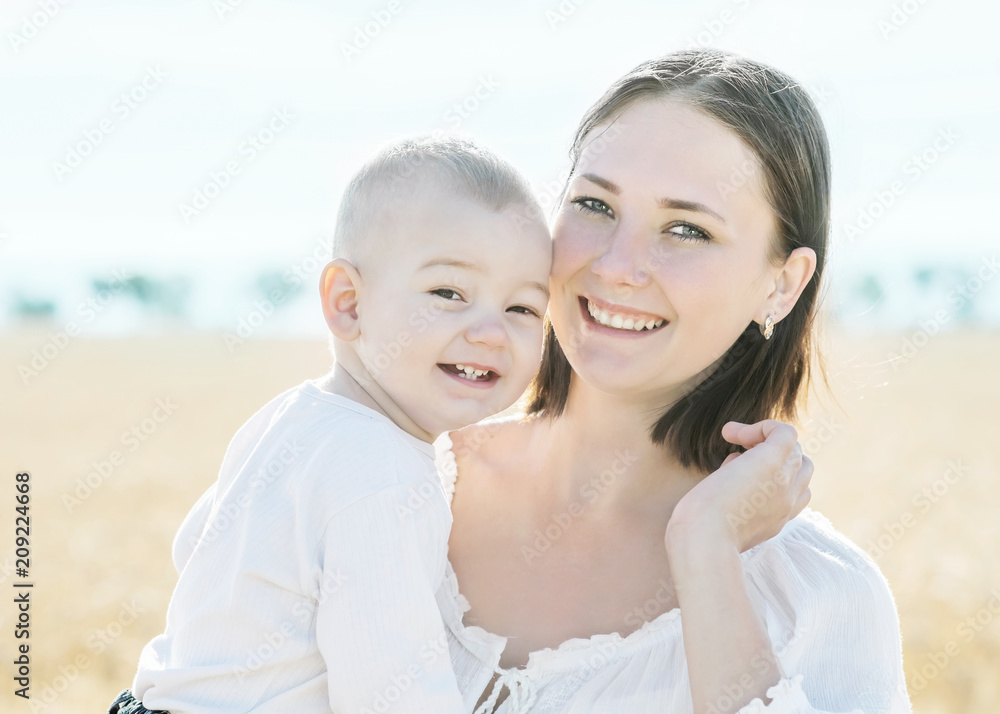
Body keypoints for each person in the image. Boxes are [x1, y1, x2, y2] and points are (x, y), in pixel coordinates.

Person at [438, 50, 912, 713]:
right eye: (596, 205)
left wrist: (707, 550)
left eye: (687, 229)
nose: (617, 264)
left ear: (781, 285)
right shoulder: (394, 481)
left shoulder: (817, 596)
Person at [108, 136, 553, 713]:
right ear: (348, 303)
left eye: (522, 308)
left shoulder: (291, 415)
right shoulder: (385, 473)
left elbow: (193, 545)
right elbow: (393, 695)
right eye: (449, 292)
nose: (491, 331)